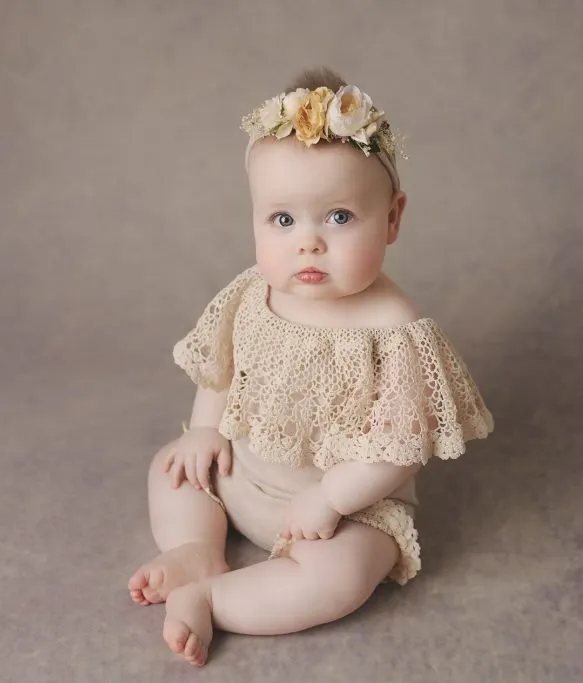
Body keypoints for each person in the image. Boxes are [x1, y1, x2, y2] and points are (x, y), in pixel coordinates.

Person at [127, 67, 494, 667]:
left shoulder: (394, 329)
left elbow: (399, 448)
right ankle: (197, 550)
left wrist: (329, 498)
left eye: (339, 217)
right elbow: (222, 369)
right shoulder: (256, 294)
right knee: (173, 467)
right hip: (244, 473)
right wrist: (206, 430)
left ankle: (213, 599)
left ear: (393, 218)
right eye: (283, 220)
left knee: (344, 574)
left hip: (344, 510)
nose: (309, 242)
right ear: (254, 217)